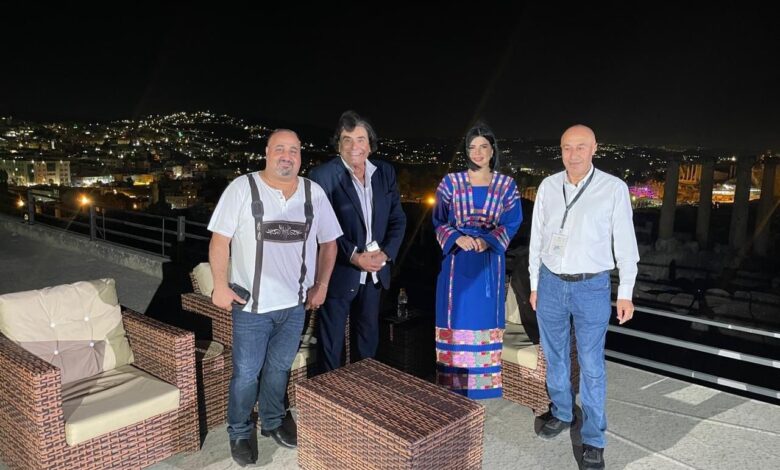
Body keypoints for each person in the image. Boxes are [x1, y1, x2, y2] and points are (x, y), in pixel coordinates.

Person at [208, 129, 342, 467]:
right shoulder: (242, 188)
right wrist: (220, 285)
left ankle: (272, 420)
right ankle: (240, 430)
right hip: (251, 307)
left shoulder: (313, 193)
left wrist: (322, 285)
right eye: (280, 149)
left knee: (280, 368)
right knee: (246, 373)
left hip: (295, 305)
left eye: (294, 150)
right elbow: (220, 240)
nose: (287, 156)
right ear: (267, 153)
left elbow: (329, 243)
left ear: (301, 156)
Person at [528, 124, 639, 470]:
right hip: (550, 282)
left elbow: (625, 243)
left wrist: (625, 292)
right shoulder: (548, 186)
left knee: (591, 365)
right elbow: (537, 239)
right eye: (566, 147)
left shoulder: (613, 188)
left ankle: (593, 439)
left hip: (592, 286)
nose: (573, 154)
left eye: (580, 147)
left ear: (594, 149)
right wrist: (535, 284)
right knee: (554, 355)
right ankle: (562, 411)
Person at [309, 110, 407, 372]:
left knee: (367, 343)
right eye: (347, 139)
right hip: (339, 272)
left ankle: (361, 390)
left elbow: (398, 219)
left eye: (361, 139)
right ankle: (330, 393)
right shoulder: (322, 176)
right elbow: (322, 227)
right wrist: (353, 255)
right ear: (338, 144)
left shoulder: (385, 173)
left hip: (375, 273)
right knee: (331, 347)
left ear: (370, 144)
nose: (355, 146)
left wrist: (386, 254)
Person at [432, 122, 522, 399]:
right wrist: (457, 238)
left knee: (483, 321)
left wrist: (488, 241)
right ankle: (453, 385)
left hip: (488, 264)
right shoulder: (451, 182)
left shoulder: (507, 185)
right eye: (472, 147)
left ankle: (481, 388)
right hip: (457, 263)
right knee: (456, 318)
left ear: (493, 150)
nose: (478, 152)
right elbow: (438, 220)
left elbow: (512, 221)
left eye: (484, 146)